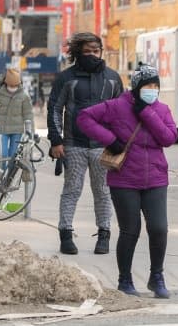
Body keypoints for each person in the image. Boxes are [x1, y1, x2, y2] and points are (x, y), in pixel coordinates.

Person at [77, 64, 178, 298]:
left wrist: (146, 112)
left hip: (155, 178)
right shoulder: (117, 106)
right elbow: (84, 118)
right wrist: (110, 140)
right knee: (130, 230)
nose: (152, 90)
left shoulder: (161, 109)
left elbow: (169, 138)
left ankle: (157, 277)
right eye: (147, 86)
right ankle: (125, 280)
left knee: (159, 228)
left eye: (155, 86)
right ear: (137, 87)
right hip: (124, 179)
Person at [47, 32, 124, 255]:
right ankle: (66, 234)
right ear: (78, 52)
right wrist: (56, 140)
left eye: (95, 51)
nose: (92, 55)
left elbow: (122, 111)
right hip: (73, 144)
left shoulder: (112, 78)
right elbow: (54, 108)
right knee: (72, 190)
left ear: (101, 51)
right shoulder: (66, 78)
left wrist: (119, 142)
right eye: (87, 51)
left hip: (104, 146)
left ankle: (104, 234)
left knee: (103, 191)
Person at [0, 68, 34, 159]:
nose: (12, 87)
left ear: (19, 84)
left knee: (13, 155)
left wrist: (30, 132)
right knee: (2, 154)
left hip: (17, 130)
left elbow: (28, 114)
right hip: (1, 129)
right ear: (6, 83)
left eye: (15, 85)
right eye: (11, 85)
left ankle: (10, 172)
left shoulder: (24, 96)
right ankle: (3, 173)